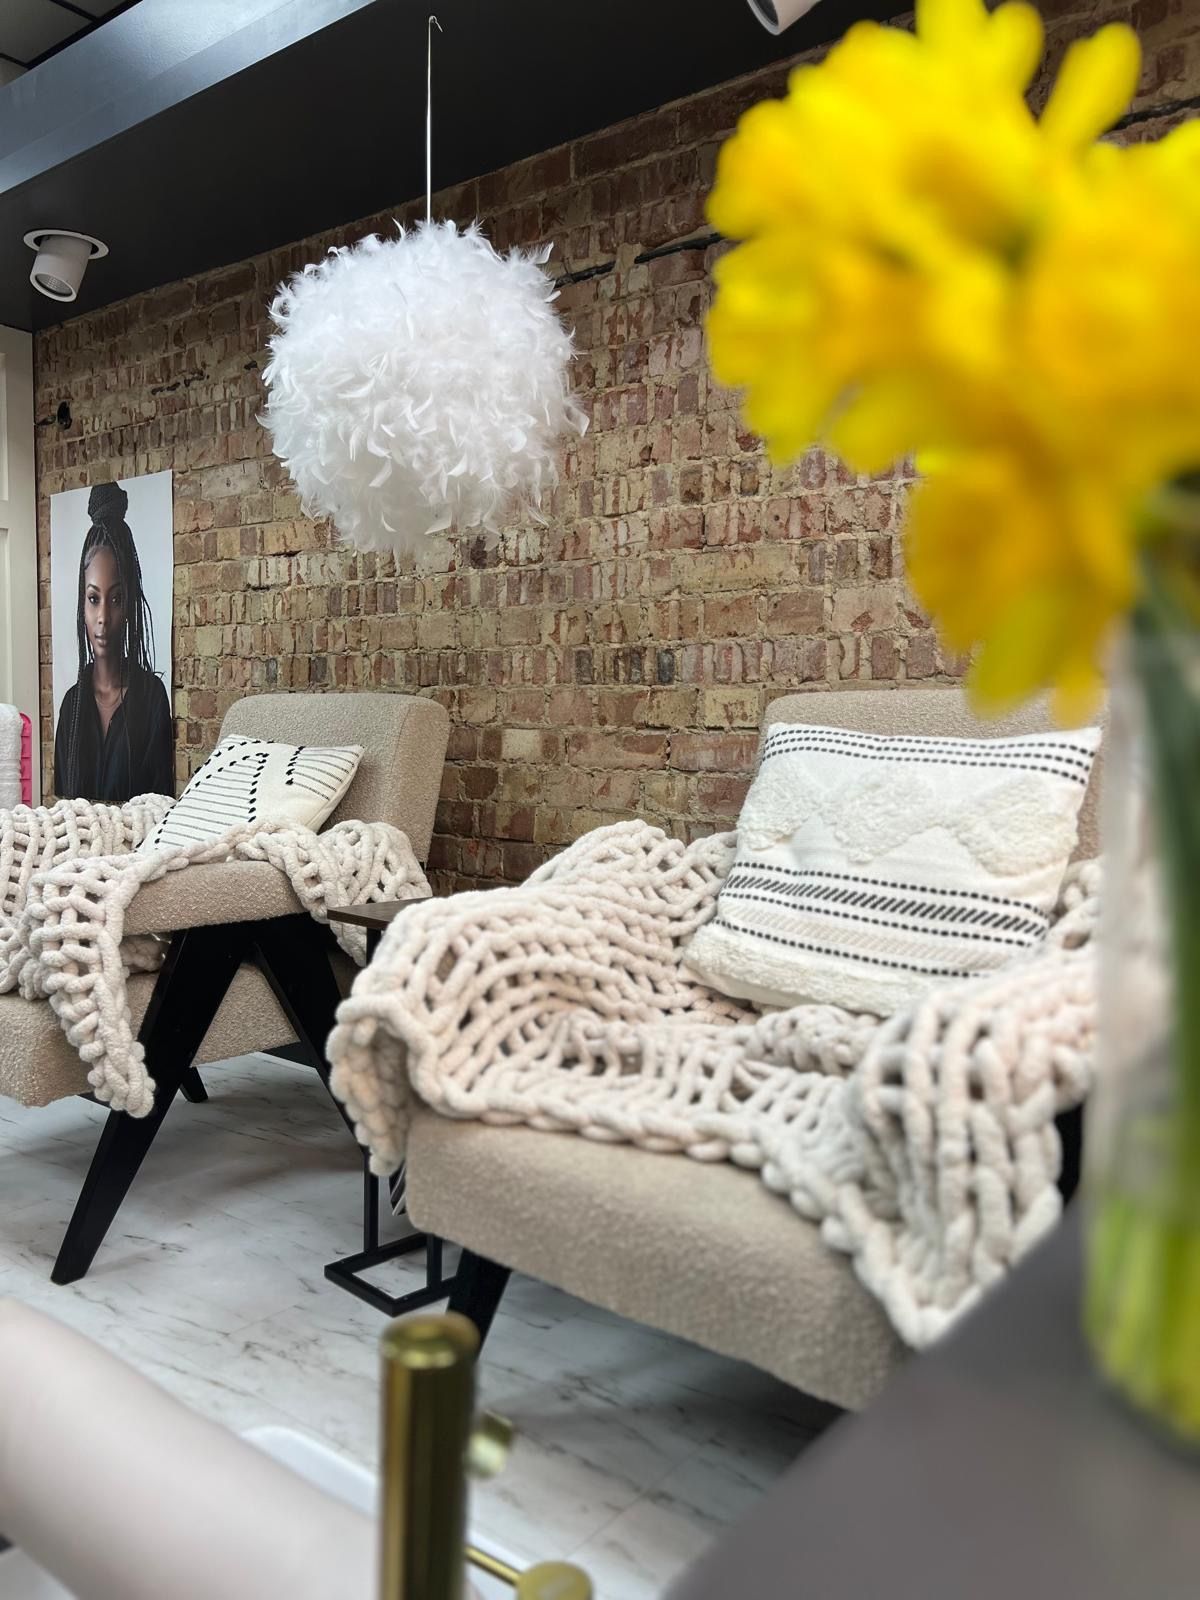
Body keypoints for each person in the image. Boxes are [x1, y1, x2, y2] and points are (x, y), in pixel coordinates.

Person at [53, 482, 174, 803]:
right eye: (94, 599)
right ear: (83, 604)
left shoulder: (152, 700)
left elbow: (162, 807)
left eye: (116, 598)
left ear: (130, 604)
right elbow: (62, 809)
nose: (103, 616)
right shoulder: (72, 707)